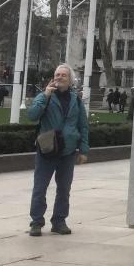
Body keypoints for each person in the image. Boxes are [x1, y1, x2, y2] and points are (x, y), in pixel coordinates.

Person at [27, 64, 89, 237]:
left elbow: (83, 125)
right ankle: (37, 222)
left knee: (64, 189)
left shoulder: (75, 99)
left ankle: (59, 221)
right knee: (40, 187)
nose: (59, 77)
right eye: (57, 74)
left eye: (63, 75)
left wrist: (83, 150)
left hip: (67, 151)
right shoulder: (45, 96)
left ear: (70, 80)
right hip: (47, 149)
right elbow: (32, 115)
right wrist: (45, 95)